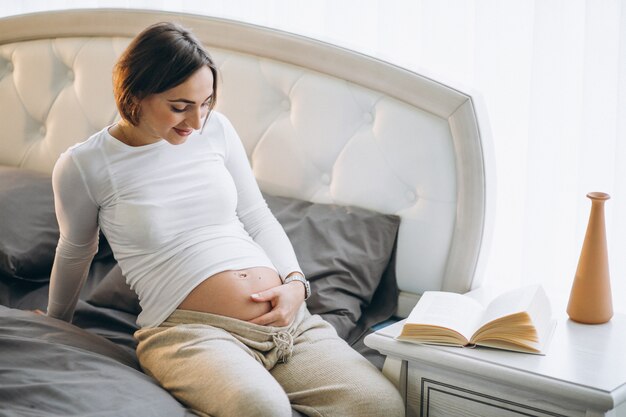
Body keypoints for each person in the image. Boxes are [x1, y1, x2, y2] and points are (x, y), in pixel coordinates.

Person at [46, 21, 404, 417]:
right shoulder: (84, 165)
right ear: (135, 93)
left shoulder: (216, 130)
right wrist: (54, 322)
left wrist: (296, 285)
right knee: (262, 409)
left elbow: (256, 216)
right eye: (179, 107)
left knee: (380, 404)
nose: (196, 122)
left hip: (287, 322)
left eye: (206, 103)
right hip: (188, 333)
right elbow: (75, 250)